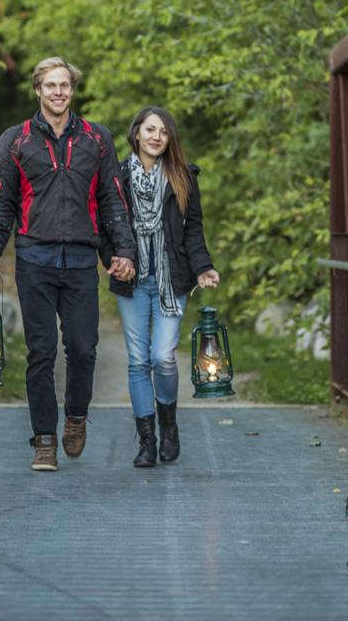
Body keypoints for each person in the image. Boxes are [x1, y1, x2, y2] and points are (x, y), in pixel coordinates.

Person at [0, 57, 135, 472]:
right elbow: (2, 201)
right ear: (38, 90)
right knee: (41, 352)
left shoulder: (97, 140)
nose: (58, 92)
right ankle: (44, 440)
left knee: (83, 349)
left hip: (82, 261)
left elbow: (112, 199)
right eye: (51, 86)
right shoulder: (17, 141)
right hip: (34, 260)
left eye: (64, 85)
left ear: (72, 90)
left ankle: (76, 416)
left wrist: (123, 251)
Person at [100, 106, 219, 467]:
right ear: (136, 133)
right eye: (149, 130)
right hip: (131, 280)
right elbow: (103, 226)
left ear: (170, 140)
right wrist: (112, 260)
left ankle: (169, 427)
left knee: (162, 357)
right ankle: (147, 443)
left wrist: (204, 266)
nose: (156, 137)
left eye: (163, 132)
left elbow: (193, 228)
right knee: (138, 361)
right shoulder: (115, 177)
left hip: (172, 278)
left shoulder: (183, 177)